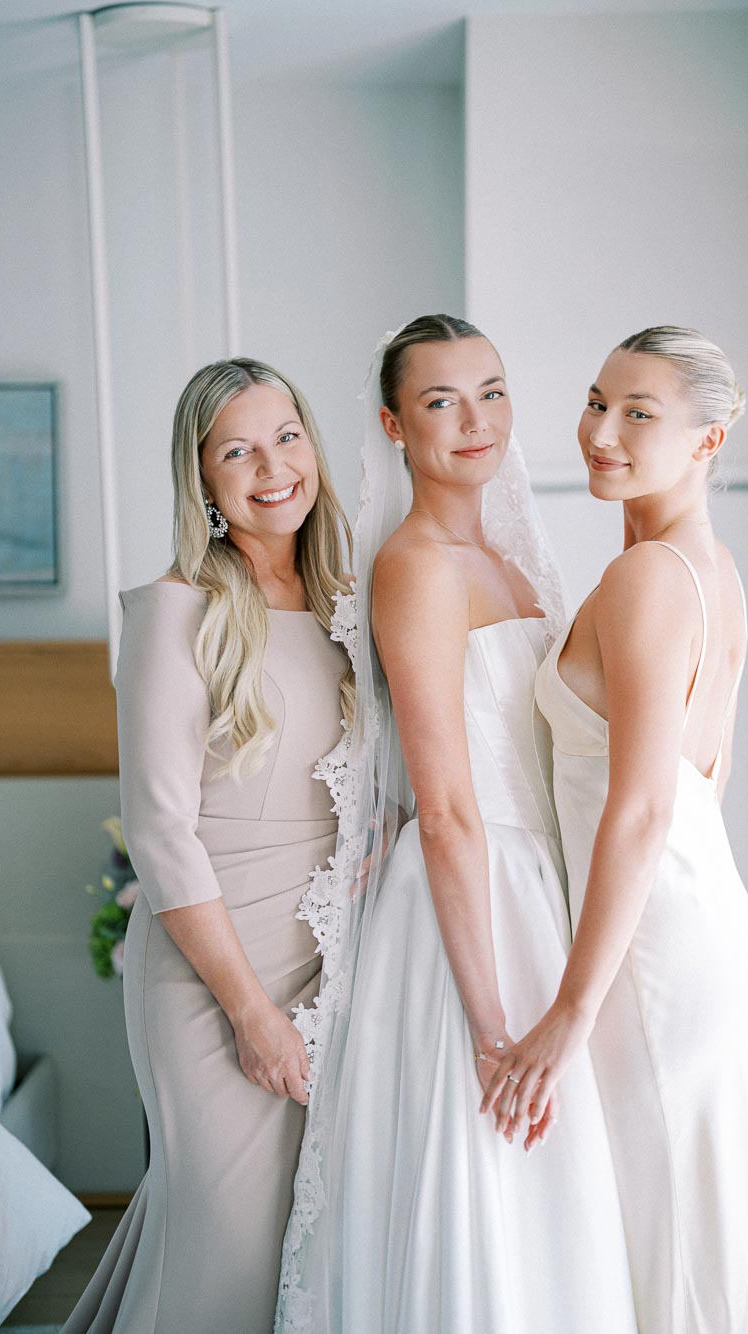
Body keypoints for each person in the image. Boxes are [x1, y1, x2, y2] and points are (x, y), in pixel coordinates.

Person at [277, 316, 637, 1334]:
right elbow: (446, 805)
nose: (474, 420)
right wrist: (486, 1021)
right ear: (395, 424)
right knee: (484, 1172)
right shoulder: (416, 564)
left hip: (541, 889)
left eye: (491, 390)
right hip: (467, 916)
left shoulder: (515, 561)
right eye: (441, 401)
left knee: (552, 1198)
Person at [484, 326, 748, 1331]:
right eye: (597, 401)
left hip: (653, 954)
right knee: (700, 1238)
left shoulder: (650, 579)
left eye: (639, 414)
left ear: (707, 443)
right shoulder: (713, 573)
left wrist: (570, 1009)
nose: (601, 432)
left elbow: (643, 804)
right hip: (699, 927)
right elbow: (699, 790)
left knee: (670, 1249)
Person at [63, 358, 352, 1334]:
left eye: (287, 437)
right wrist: (251, 1013)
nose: (271, 467)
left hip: (327, 961)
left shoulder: (349, 603)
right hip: (213, 975)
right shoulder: (176, 609)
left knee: (288, 1247)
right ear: (202, 477)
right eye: (238, 450)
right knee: (225, 1245)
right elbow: (158, 830)